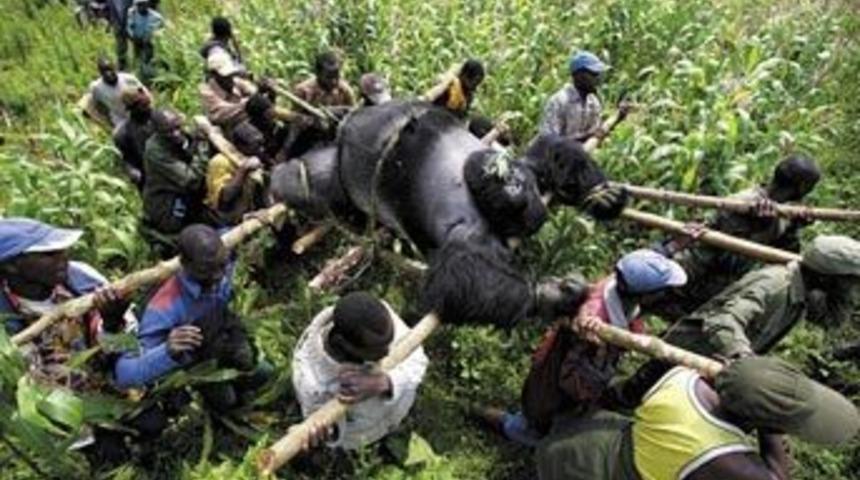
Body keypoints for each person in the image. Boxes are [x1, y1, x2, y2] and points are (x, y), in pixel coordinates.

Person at [617, 235, 860, 408]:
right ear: (827, 277)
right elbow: (724, 319)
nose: (852, 286)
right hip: (689, 351)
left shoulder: (803, 292)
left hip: (709, 362)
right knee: (634, 395)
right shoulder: (775, 286)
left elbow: (831, 320)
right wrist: (743, 357)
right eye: (849, 280)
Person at [537, 356, 859, 480]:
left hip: (585, 441)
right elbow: (777, 477)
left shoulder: (680, 377)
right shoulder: (726, 460)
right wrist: (773, 429)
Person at [481, 250, 687, 443]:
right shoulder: (594, 322)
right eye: (662, 290)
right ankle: (501, 423)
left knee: (548, 413)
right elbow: (575, 380)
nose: (665, 294)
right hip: (558, 378)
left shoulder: (617, 285)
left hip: (566, 370)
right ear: (647, 295)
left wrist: (679, 244)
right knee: (539, 422)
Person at [648, 154, 822, 321]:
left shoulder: (780, 211)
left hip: (711, 288)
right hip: (690, 283)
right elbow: (724, 259)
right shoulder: (744, 204)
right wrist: (758, 227)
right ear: (802, 187)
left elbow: (782, 260)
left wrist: (793, 228)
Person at [114, 225, 269, 410]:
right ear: (185, 264)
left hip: (225, 332)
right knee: (227, 401)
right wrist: (168, 350)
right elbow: (125, 374)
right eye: (206, 271)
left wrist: (253, 221)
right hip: (199, 359)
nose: (219, 277)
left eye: (222, 265)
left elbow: (234, 230)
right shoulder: (163, 308)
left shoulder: (218, 254)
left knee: (263, 372)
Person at [0, 218, 134, 391]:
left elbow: (129, 354)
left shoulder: (83, 280)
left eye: (62, 250)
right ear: (12, 266)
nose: (63, 258)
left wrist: (113, 323)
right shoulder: (5, 314)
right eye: (49, 254)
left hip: (109, 389)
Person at [292, 292, 429, 450]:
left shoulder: (377, 318)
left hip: (398, 410)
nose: (387, 352)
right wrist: (328, 432)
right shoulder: (311, 382)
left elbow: (418, 359)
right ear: (342, 343)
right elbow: (331, 430)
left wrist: (383, 382)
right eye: (377, 349)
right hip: (365, 439)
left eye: (389, 342)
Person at [141, 109, 213, 252]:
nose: (176, 133)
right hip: (167, 203)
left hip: (183, 194)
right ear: (157, 131)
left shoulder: (179, 134)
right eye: (169, 131)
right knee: (182, 241)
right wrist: (203, 145)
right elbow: (192, 179)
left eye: (177, 127)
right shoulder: (155, 151)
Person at [539, 50, 627, 142]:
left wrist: (619, 118)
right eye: (593, 74)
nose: (597, 79)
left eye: (598, 75)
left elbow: (597, 136)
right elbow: (548, 142)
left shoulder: (593, 102)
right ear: (579, 76)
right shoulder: (560, 101)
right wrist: (587, 137)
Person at [204, 122, 266, 225]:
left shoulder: (255, 155)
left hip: (248, 212)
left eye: (261, 144)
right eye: (256, 145)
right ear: (241, 146)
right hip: (225, 219)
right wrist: (243, 170)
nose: (261, 149)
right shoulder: (220, 162)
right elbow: (224, 198)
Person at [79, 57, 150, 130]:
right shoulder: (96, 87)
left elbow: (145, 93)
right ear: (100, 73)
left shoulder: (128, 79)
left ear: (114, 67)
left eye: (110, 69)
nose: (108, 74)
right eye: (104, 72)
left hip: (139, 113)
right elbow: (85, 104)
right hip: (119, 119)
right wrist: (99, 119)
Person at [199, 49, 251, 135]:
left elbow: (252, 91)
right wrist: (248, 103)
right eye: (226, 76)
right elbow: (220, 113)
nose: (230, 78)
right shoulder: (206, 91)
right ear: (214, 75)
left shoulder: (235, 81)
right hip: (227, 131)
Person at [112, 86, 154, 189]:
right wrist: (131, 171)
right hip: (150, 181)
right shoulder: (123, 134)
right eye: (142, 105)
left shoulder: (160, 118)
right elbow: (126, 159)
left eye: (147, 104)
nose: (147, 108)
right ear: (131, 108)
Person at [125, 0, 163, 80]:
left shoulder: (156, 17)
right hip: (136, 40)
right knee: (137, 59)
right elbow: (129, 27)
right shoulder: (132, 12)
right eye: (139, 5)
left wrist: (149, 38)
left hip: (149, 43)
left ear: (147, 4)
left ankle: (150, 78)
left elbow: (159, 32)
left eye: (143, 4)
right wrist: (132, 36)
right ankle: (139, 76)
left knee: (148, 59)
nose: (141, 7)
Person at [105, 0, 132, 70]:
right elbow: (110, 9)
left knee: (135, 44)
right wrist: (110, 22)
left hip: (130, 22)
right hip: (117, 23)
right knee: (120, 45)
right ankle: (122, 65)